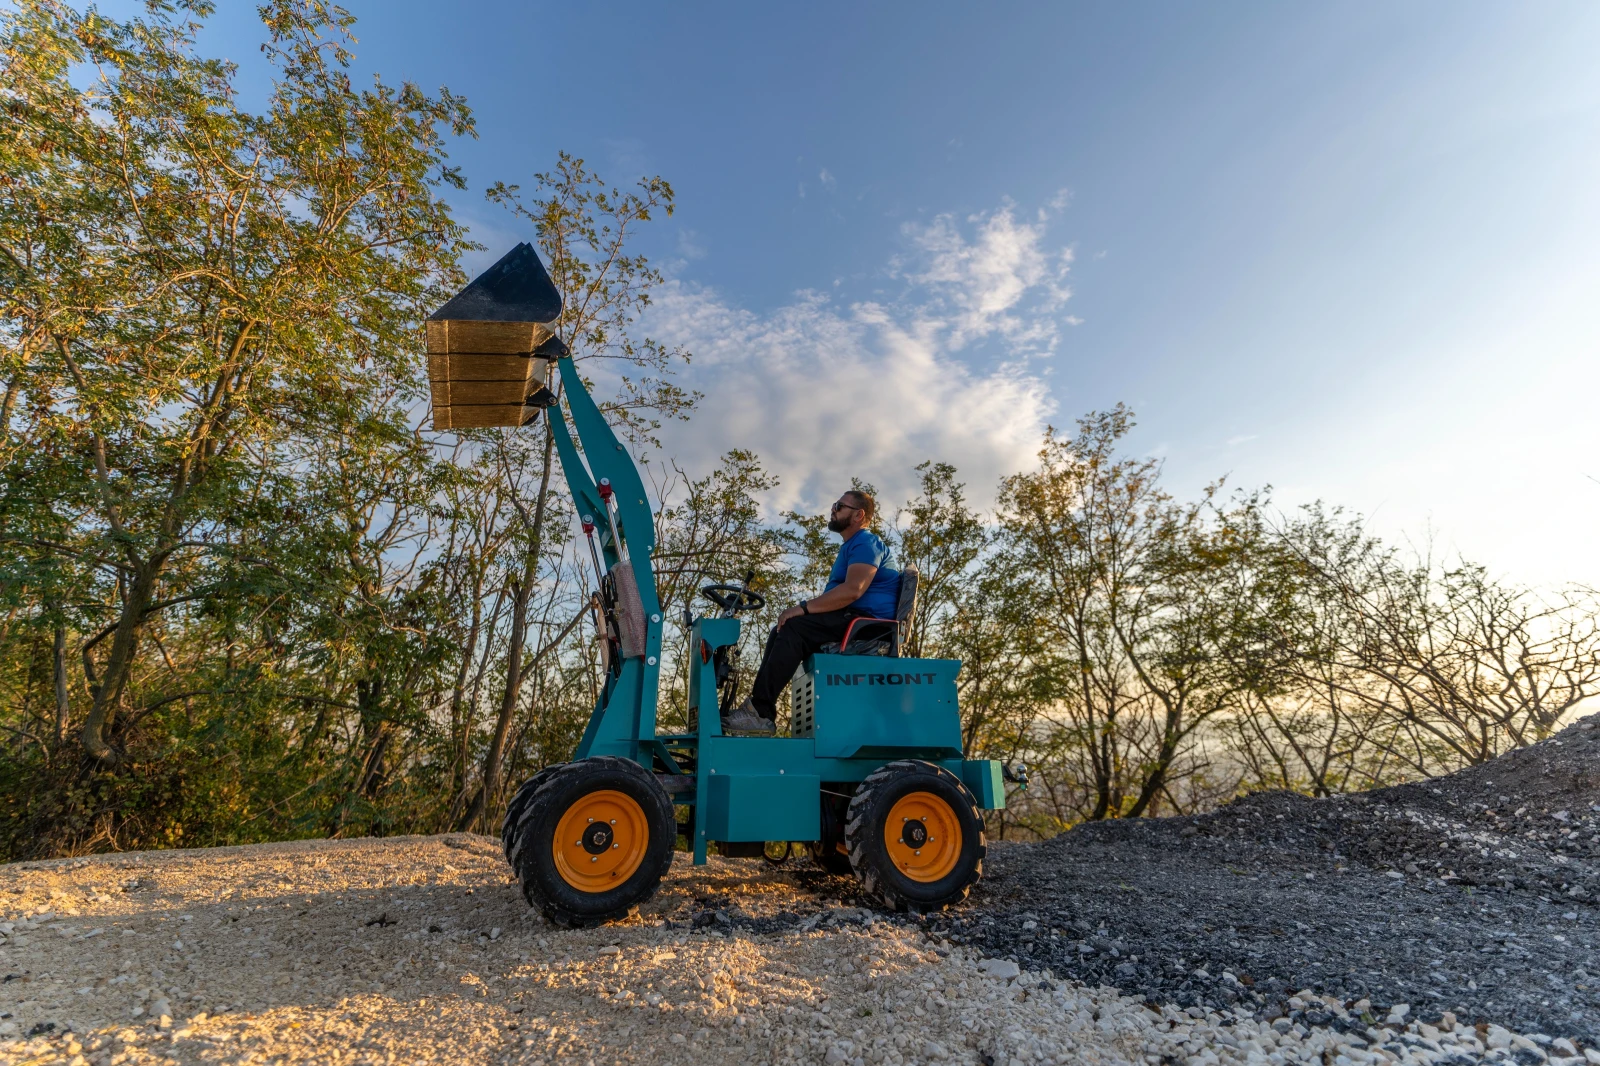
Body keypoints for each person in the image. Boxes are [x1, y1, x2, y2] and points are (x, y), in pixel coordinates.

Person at [724, 489, 900, 734]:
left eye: (839, 506)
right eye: (834, 505)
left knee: (794, 627)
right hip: (853, 620)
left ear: (859, 515)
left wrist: (803, 609)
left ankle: (761, 713)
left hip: (867, 628)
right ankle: (758, 711)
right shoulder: (853, 546)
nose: (833, 509)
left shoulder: (866, 542)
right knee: (781, 630)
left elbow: (853, 591)